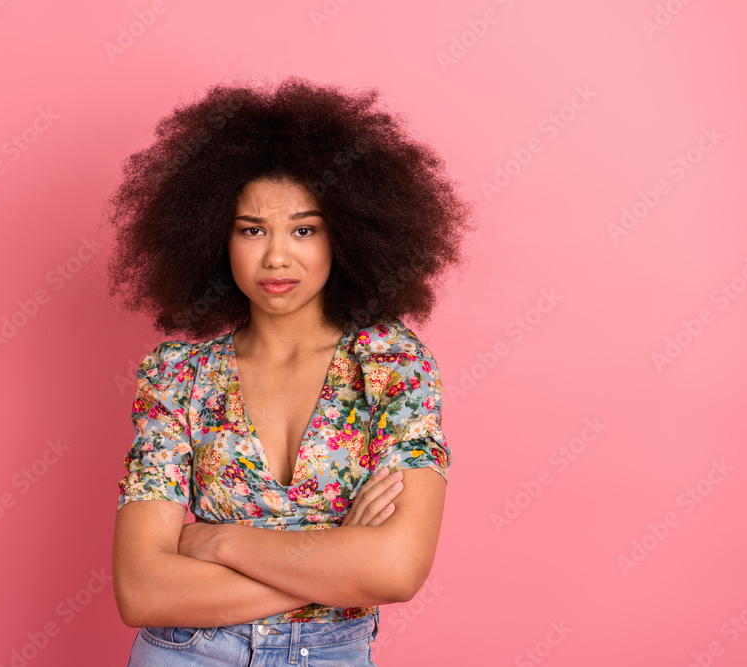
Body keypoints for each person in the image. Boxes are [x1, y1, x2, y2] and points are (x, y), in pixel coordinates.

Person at [105, 75, 474, 665]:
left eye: (304, 229)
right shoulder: (177, 376)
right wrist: (341, 563)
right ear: (215, 237)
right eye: (252, 230)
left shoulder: (390, 364)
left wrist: (218, 541)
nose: (277, 256)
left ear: (344, 235)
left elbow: (397, 570)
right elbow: (143, 591)